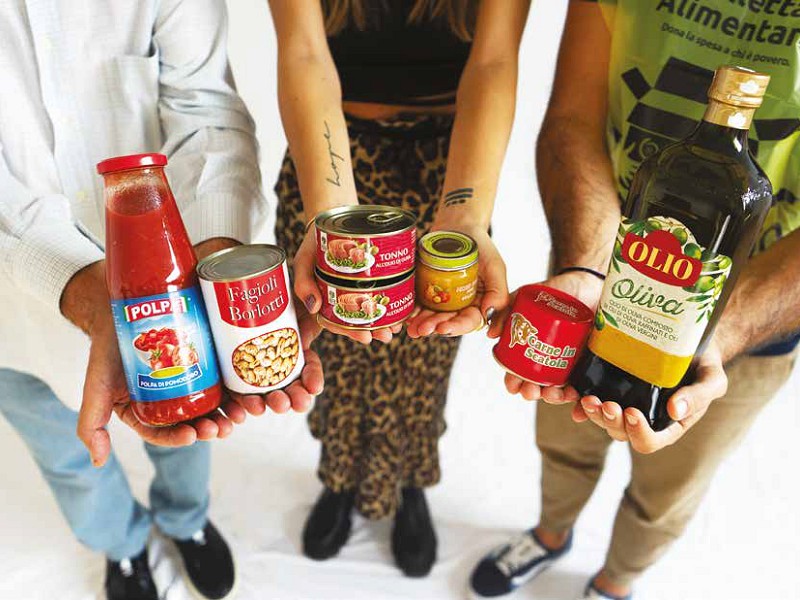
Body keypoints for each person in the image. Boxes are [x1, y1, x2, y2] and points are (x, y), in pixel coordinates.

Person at [469, 1, 800, 598]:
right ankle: (550, 534)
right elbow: (573, 120)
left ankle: (617, 581)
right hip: (605, 269)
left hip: (759, 311)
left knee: (669, 484)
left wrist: (711, 337)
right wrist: (585, 268)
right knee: (564, 437)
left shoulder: (745, 193)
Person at [0, 1, 322, 599]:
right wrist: (83, 289)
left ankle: (186, 520)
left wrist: (215, 265)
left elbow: (206, 112)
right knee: (67, 454)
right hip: (12, 316)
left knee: (190, 419)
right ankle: (121, 546)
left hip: (181, 299)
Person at [267, 0, 526, 577]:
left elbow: (493, 62)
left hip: (451, 167)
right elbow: (304, 53)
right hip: (331, 159)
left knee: (428, 351)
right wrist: (332, 217)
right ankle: (338, 479)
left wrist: (464, 215)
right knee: (332, 344)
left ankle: (410, 483)